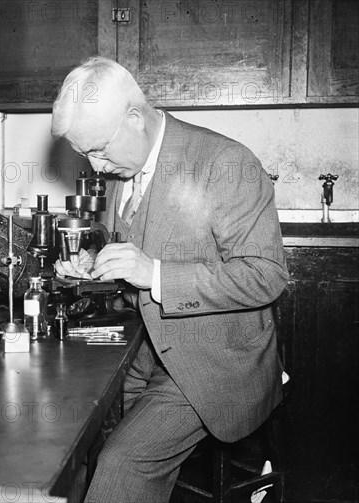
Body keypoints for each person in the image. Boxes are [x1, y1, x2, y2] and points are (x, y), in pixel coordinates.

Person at [52, 57, 289, 502]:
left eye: (99, 150)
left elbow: (266, 275)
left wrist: (153, 273)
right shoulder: (129, 166)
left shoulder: (227, 163)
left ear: (135, 119)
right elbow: (141, 252)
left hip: (218, 360)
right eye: (85, 153)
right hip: (151, 351)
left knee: (121, 462)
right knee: (77, 430)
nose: (96, 166)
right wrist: (95, 265)